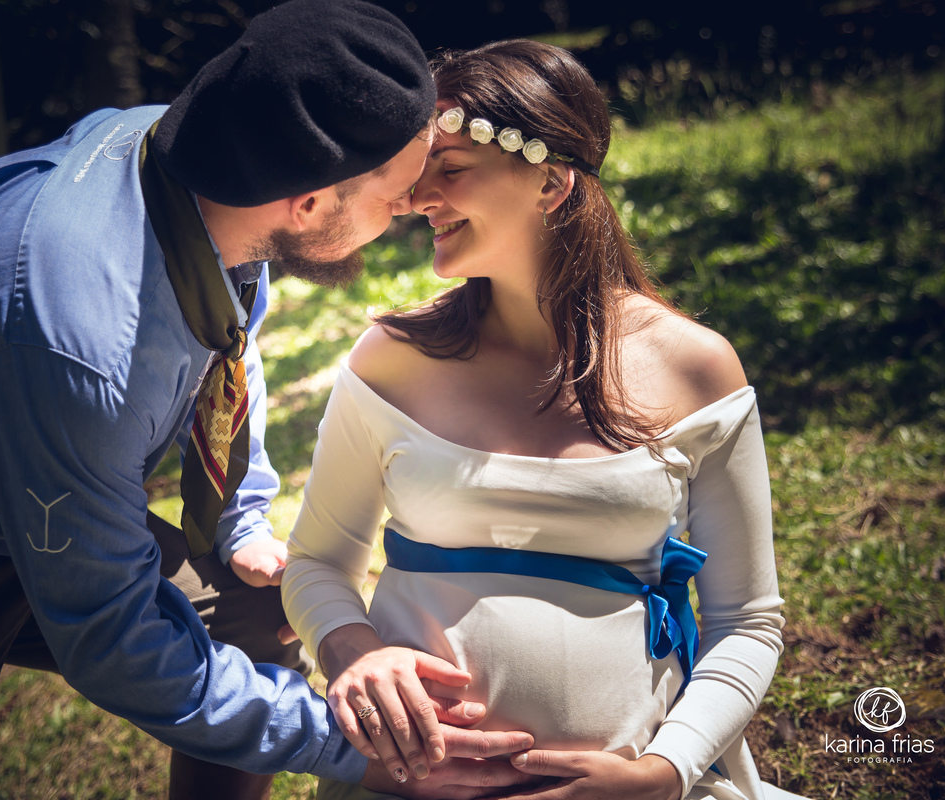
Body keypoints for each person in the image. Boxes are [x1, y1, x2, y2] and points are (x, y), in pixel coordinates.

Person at [0, 3, 538, 799]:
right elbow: (113, 642)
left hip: (35, 488)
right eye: (395, 192)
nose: (409, 207)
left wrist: (237, 513)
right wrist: (342, 746)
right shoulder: (79, 342)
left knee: (250, 609)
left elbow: (223, 340)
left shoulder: (210, 158)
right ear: (306, 202)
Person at [282, 39, 797, 800]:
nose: (419, 198)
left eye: (450, 168)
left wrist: (662, 772)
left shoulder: (696, 369)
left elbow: (747, 621)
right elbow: (317, 561)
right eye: (419, 172)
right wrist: (354, 652)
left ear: (551, 183)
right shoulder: (389, 358)